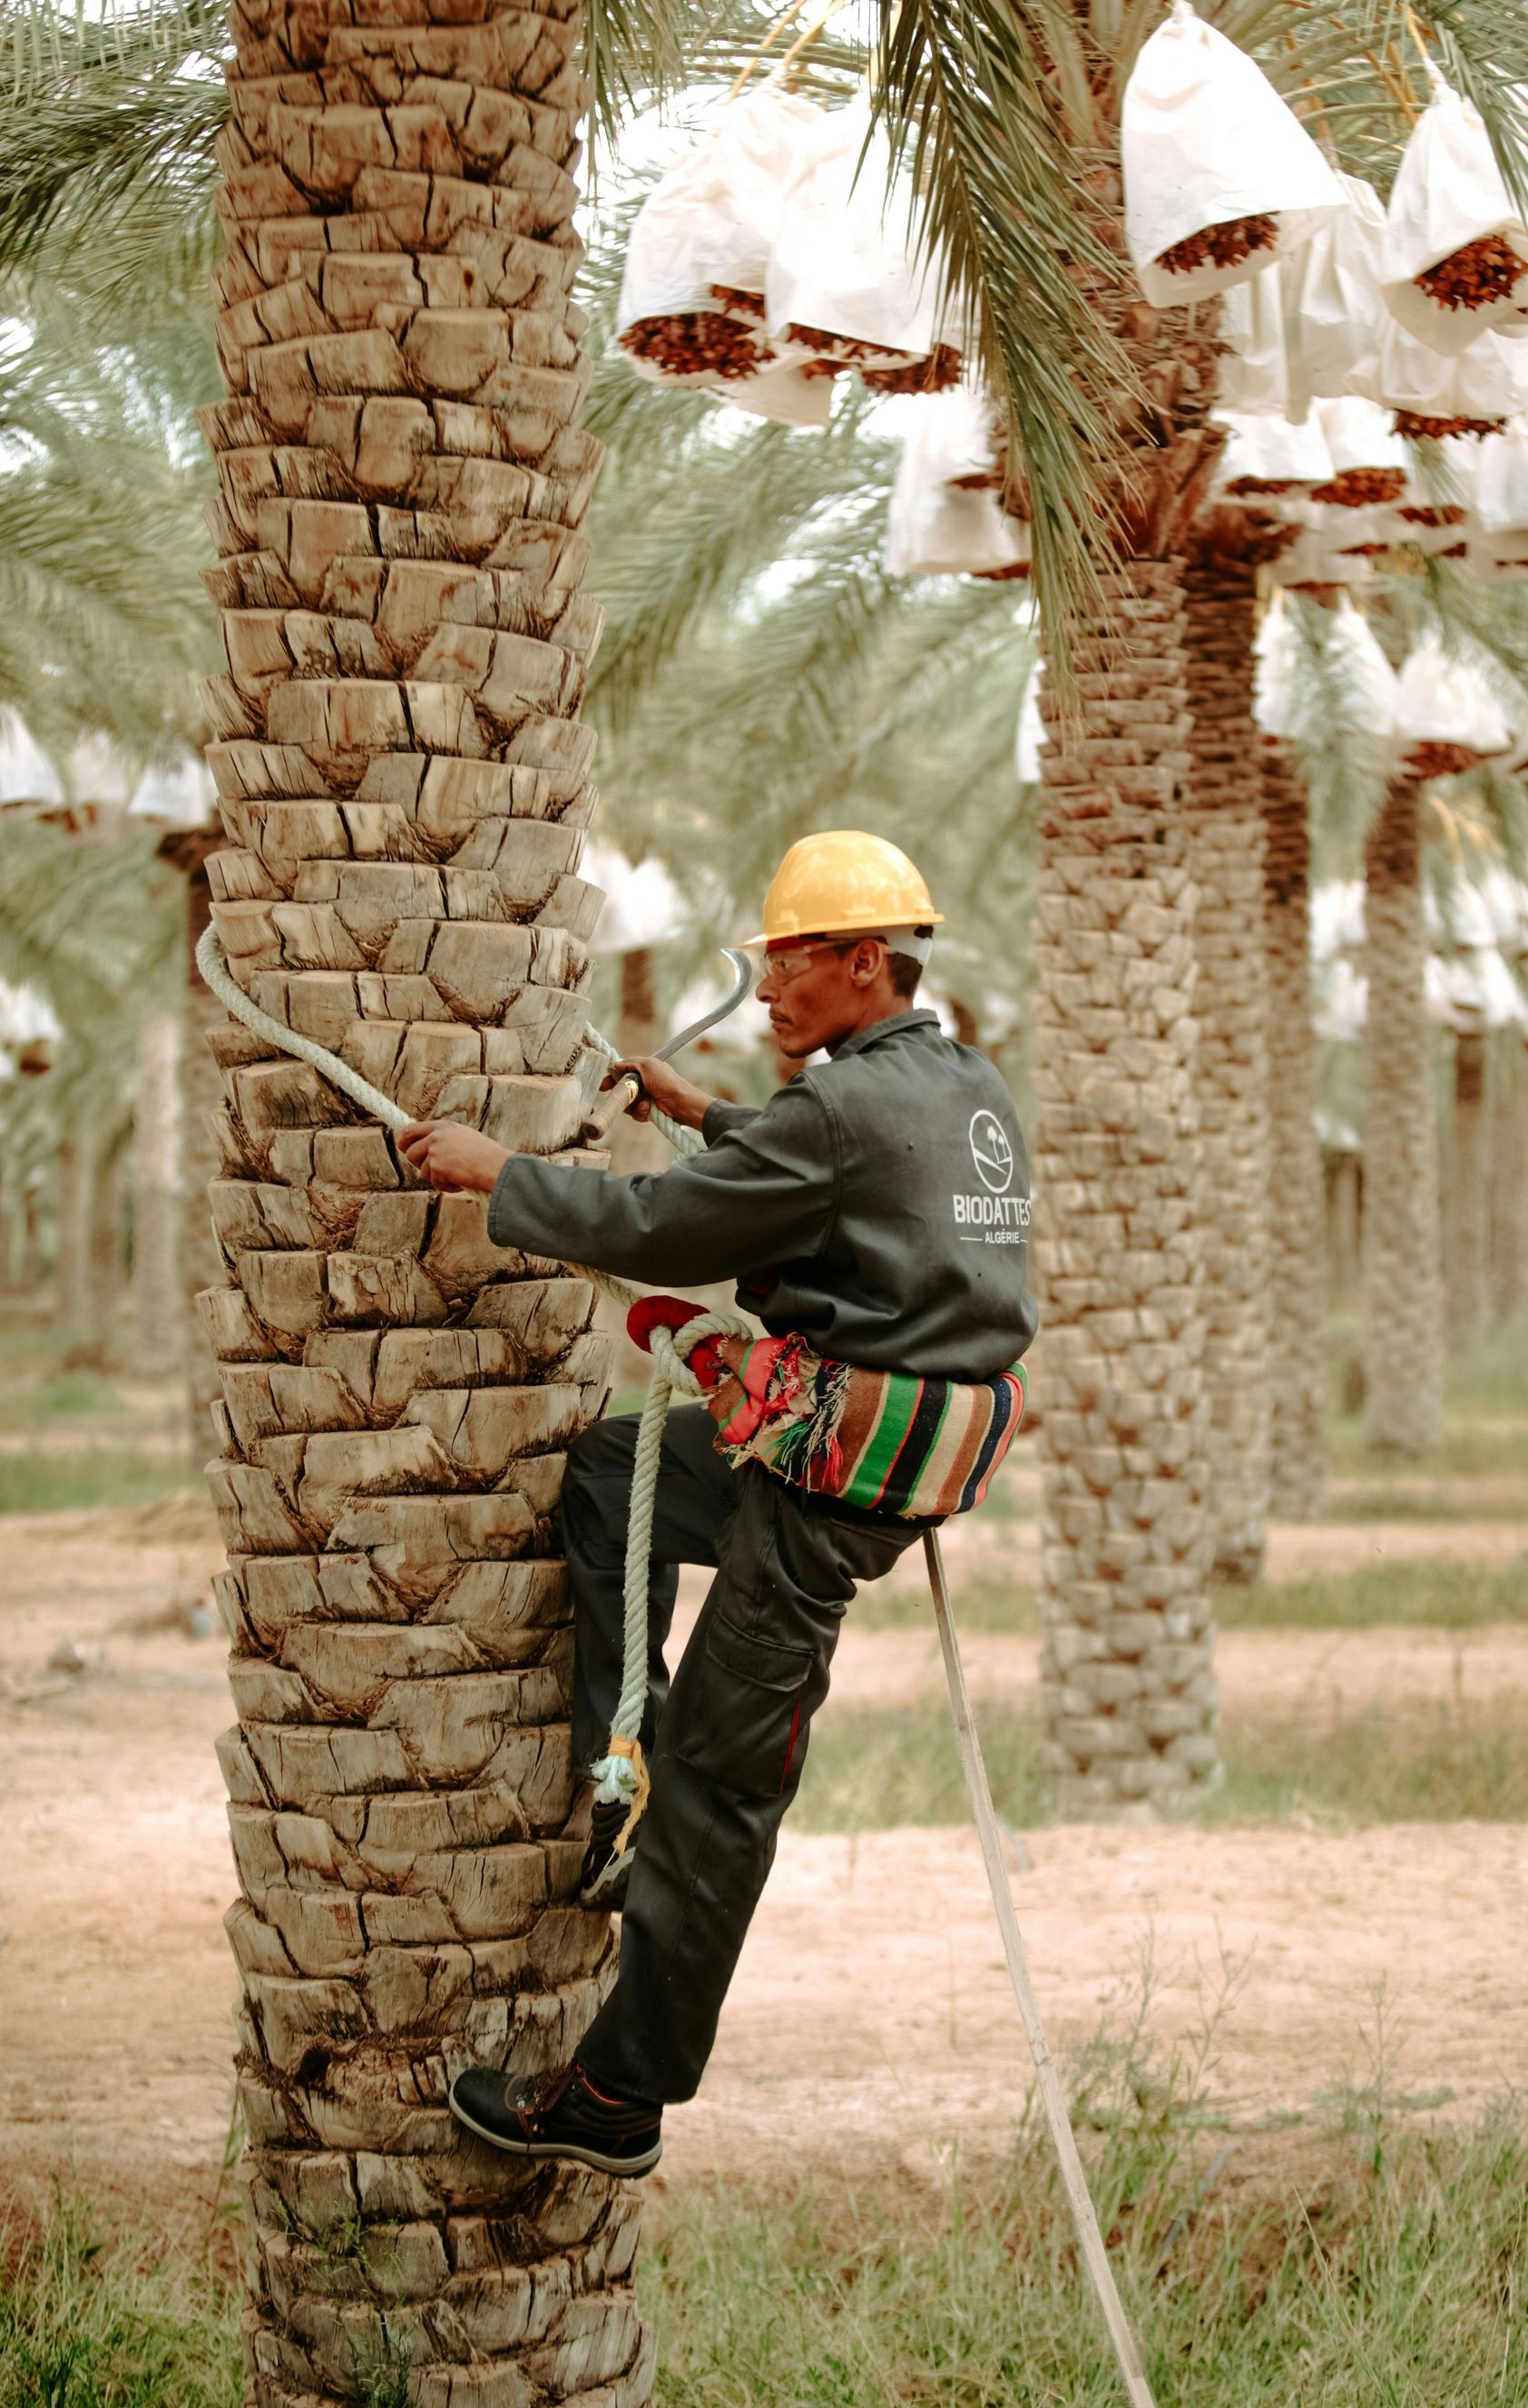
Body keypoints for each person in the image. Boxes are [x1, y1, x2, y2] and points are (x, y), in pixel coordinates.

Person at [397, 832, 1035, 2177]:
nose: (768, 992)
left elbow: (665, 1233)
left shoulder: (845, 1108)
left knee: (727, 1784)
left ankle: (616, 2103)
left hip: (828, 1490)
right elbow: (857, 1175)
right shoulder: (959, 1084)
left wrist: (495, 1175)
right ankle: (616, 1778)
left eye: (792, 965)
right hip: (836, 1442)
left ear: (869, 964)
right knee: (614, 1475)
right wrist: (702, 1116)